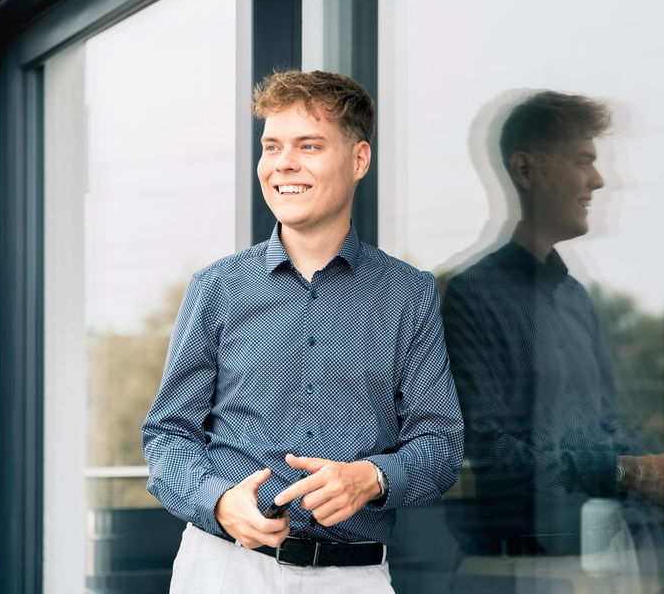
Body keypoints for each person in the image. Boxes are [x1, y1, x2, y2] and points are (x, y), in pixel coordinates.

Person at [141, 70, 464, 593]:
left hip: (351, 576)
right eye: (272, 147)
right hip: (224, 570)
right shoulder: (216, 287)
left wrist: (373, 478)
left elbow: (440, 446)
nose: (283, 163)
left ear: (359, 159)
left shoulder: (410, 295)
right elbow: (167, 436)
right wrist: (217, 501)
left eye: (308, 145)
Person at [441, 90, 664, 591]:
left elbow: (604, 429)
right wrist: (640, 475)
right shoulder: (470, 296)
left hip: (597, 565)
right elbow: (492, 454)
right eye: (583, 161)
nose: (598, 180)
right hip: (516, 574)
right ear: (527, 170)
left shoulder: (574, 297)